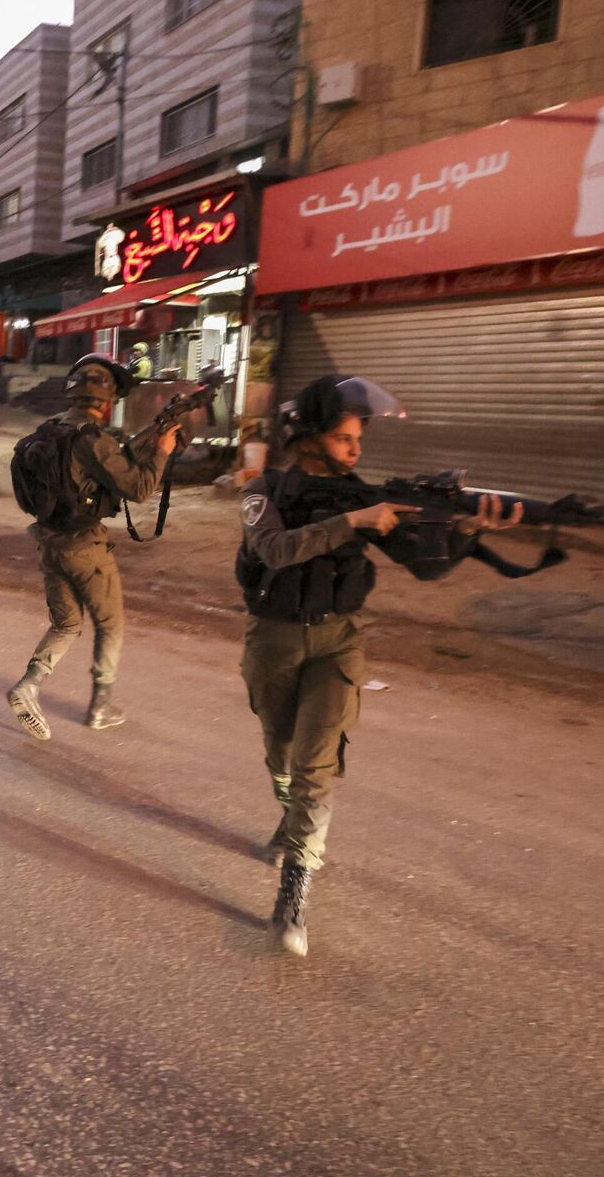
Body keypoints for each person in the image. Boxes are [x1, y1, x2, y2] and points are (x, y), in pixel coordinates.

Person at [238, 375, 520, 957]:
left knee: (318, 763)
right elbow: (272, 549)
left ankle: (294, 891)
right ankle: (288, 817)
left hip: (339, 642)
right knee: (281, 755)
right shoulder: (263, 489)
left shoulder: (363, 495)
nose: (355, 449)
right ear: (312, 438)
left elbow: (426, 568)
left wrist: (467, 528)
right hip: (274, 641)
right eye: (344, 439)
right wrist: (351, 524)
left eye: (357, 439)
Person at [6, 354, 181, 740]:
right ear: (106, 401)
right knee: (111, 624)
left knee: (67, 623)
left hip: (48, 541)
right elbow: (138, 488)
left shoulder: (50, 429)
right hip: (85, 546)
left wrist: (149, 438)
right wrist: (164, 449)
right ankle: (100, 706)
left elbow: (100, 467)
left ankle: (29, 685)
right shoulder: (93, 439)